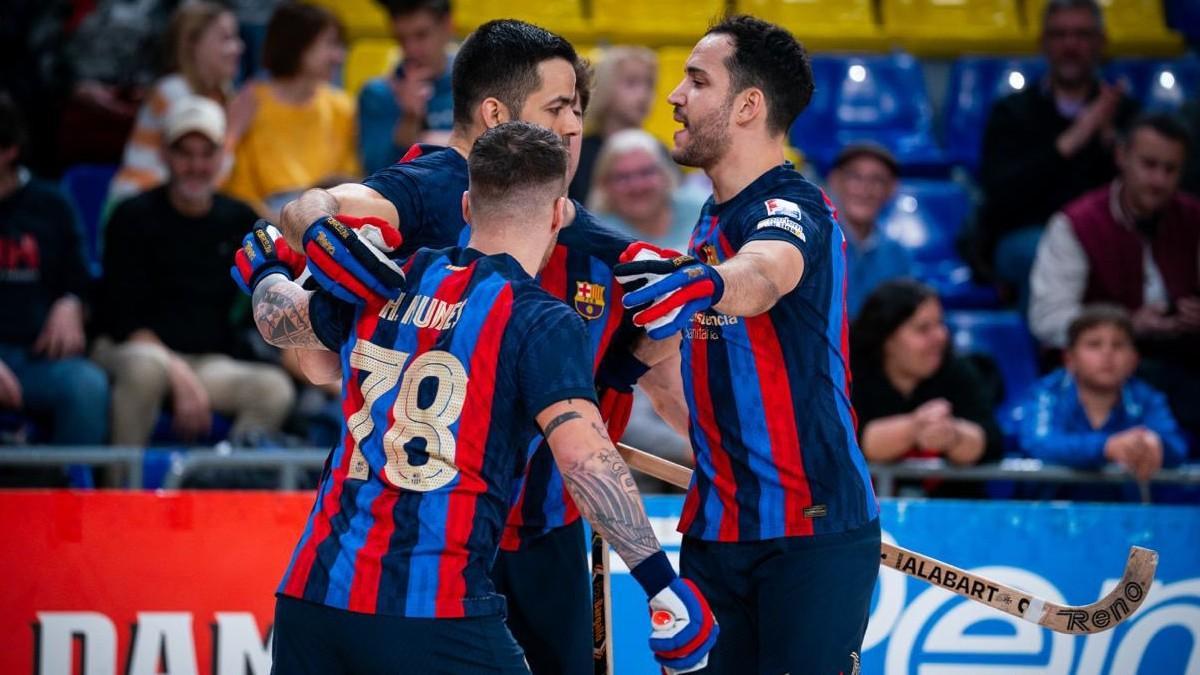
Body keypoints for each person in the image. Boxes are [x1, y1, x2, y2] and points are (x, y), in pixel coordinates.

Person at [258, 20, 691, 674]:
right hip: (440, 543)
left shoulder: (599, 245)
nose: (574, 126)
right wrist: (310, 224)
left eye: (578, 109)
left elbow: (312, 347)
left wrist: (277, 266)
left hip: (494, 541)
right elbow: (326, 216)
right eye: (557, 108)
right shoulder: (429, 188)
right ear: (494, 114)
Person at [613, 16, 880, 673]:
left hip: (810, 533)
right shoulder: (711, 215)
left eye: (696, 81)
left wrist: (703, 284)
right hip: (714, 533)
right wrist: (611, 375)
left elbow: (762, 273)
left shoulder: (796, 208)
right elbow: (687, 350)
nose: (674, 95)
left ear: (748, 106)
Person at [94, 96, 293, 446]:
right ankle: (123, 493)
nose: (196, 165)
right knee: (146, 369)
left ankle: (225, 484)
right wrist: (178, 374)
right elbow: (124, 318)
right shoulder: (131, 216)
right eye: (185, 153)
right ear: (164, 155)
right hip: (130, 349)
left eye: (207, 153)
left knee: (272, 389)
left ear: (221, 157)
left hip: (206, 360)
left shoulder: (239, 220)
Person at [1029, 112, 1200, 438]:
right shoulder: (1077, 223)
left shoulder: (1195, 219)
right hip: (1100, 376)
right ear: (1122, 156)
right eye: (1149, 165)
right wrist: (1128, 326)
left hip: (1187, 363)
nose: (1159, 180)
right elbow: (1048, 319)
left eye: (1170, 169)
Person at [976, 0, 1138, 308]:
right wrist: (1075, 137)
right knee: (1043, 251)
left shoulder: (1124, 114)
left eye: (1082, 35)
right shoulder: (1011, 112)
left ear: (1101, 43)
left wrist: (1109, 142)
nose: (1071, 45)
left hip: (1104, 235)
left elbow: (1141, 197)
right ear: (1043, 43)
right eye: (1060, 34)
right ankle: (1049, 354)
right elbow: (1000, 198)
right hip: (1028, 236)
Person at [0, 92, 109, 454]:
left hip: (36, 358)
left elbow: (84, 278)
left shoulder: (51, 205)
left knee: (87, 386)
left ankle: (67, 494)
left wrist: (71, 302)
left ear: (9, 150)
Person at [1014, 304, 1187, 501]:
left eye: (1118, 345)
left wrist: (1157, 443)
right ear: (1070, 358)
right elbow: (1039, 443)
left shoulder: (1146, 398)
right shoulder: (1046, 394)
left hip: (1128, 519)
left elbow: (1177, 446)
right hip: (1049, 517)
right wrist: (1106, 447)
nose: (1107, 354)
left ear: (1134, 360)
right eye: (1094, 344)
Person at [850, 280, 1003, 496]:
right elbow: (845, 443)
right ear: (887, 339)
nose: (940, 336)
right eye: (923, 329)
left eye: (940, 323)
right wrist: (915, 427)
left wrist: (953, 435)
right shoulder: (849, 375)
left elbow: (991, 442)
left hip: (954, 515)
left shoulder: (957, 370)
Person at [223, 2, 358, 218]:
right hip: (263, 224)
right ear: (298, 44)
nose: (338, 57)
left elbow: (348, 180)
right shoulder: (250, 101)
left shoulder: (342, 106)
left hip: (328, 216)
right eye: (330, 44)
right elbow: (240, 187)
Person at [109, 2, 244, 204]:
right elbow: (208, 173)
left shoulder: (223, 94)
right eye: (225, 38)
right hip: (138, 206)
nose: (238, 47)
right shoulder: (173, 91)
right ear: (193, 42)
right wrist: (236, 129)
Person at [358, 0, 456, 174]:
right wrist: (409, 119)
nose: (411, 49)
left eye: (422, 35)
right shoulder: (377, 94)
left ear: (447, 26)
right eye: (401, 39)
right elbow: (376, 176)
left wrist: (424, 140)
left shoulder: (478, 87)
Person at [825, 141, 913, 318]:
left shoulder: (897, 255)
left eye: (877, 180)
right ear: (835, 181)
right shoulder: (815, 243)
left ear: (891, 189)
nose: (865, 189)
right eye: (855, 177)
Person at [588, 128, 707, 253]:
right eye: (622, 177)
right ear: (605, 185)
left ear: (665, 175)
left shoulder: (701, 210)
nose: (637, 186)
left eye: (646, 173)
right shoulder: (598, 237)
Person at [568, 46, 657, 203]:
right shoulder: (580, 152)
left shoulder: (657, 151)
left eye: (649, 84)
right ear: (605, 86)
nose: (643, 95)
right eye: (632, 83)